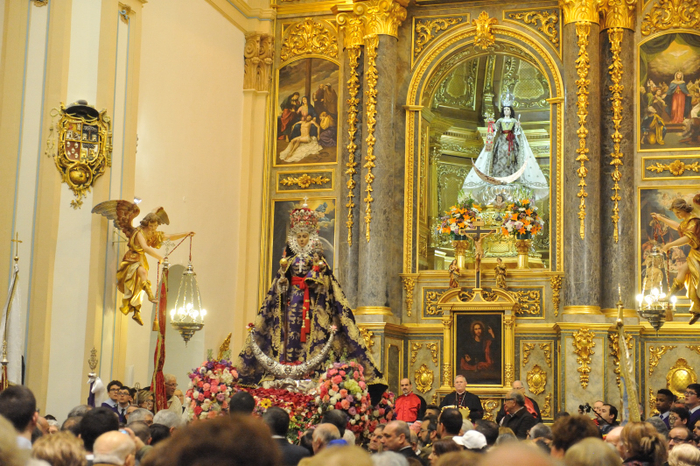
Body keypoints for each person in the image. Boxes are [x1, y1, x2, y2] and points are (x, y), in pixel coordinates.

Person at [237, 202, 385, 398]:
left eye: (305, 236)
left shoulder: (319, 262)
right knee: (288, 335)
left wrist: (316, 280)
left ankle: (311, 372)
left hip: (312, 306)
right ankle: (286, 366)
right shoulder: (287, 262)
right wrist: (282, 284)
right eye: (298, 236)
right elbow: (278, 288)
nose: (301, 239)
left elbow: (327, 285)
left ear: (311, 237)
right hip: (290, 306)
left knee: (310, 337)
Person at [92, 201, 194, 326]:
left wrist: (186, 234)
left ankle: (137, 311)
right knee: (142, 273)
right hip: (132, 258)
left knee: (138, 287)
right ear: (147, 223)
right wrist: (160, 257)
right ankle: (150, 296)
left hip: (140, 259)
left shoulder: (152, 233)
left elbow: (169, 237)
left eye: (156, 226)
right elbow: (145, 248)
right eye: (152, 226)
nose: (154, 228)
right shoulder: (139, 232)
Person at [462, 104, 548, 201]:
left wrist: (518, 127)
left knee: (511, 158)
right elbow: (495, 129)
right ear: (503, 111)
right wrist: (492, 124)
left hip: (511, 141)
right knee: (499, 157)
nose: (507, 111)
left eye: (508, 109)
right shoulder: (500, 121)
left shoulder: (514, 121)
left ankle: (511, 175)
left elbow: (517, 132)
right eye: (505, 109)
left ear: (511, 111)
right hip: (502, 140)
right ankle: (499, 176)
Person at [651, 198, 700, 324]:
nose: (677, 215)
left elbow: (687, 239)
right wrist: (661, 218)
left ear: (685, 209)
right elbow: (678, 227)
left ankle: (693, 306)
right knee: (683, 270)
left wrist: (669, 245)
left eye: (678, 212)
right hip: (696, 253)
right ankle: (694, 307)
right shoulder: (687, 222)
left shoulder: (694, 221)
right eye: (675, 213)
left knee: (694, 279)